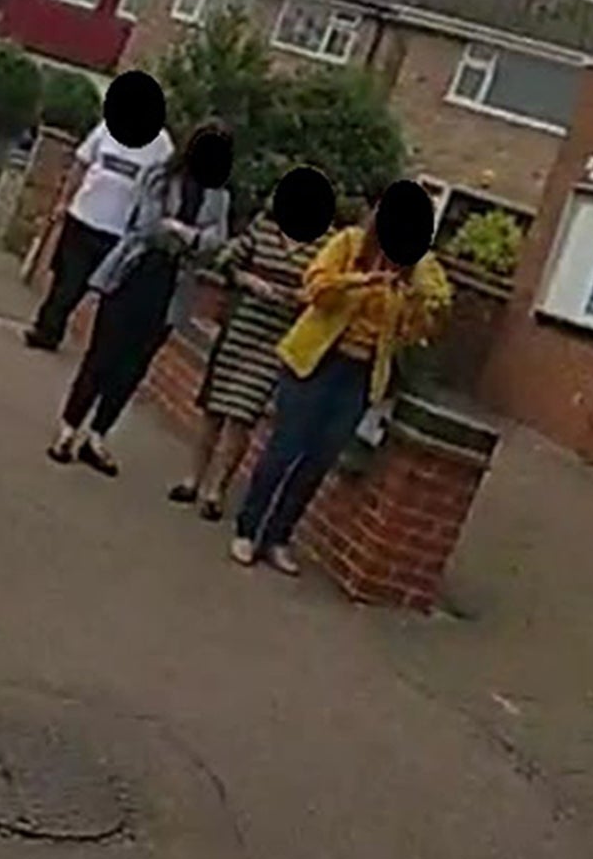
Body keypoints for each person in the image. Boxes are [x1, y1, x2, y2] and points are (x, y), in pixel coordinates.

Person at [228, 201, 450, 574]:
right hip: (315, 362)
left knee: (319, 460)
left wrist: (418, 303)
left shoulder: (412, 271)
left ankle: (279, 538)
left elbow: (414, 333)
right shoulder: (349, 244)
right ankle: (247, 529)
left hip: (360, 375)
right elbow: (316, 287)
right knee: (284, 449)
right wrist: (362, 280)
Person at [46, 122, 232, 476]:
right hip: (135, 274)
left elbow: (217, 243)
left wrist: (182, 233)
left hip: (171, 290)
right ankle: (69, 427)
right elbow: (147, 226)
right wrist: (190, 238)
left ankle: (97, 436)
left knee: (133, 368)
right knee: (101, 356)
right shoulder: (159, 178)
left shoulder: (219, 197)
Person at [169, 202, 326, 520]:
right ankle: (193, 479)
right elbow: (225, 260)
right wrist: (246, 279)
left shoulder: (323, 246)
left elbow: (324, 289)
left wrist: (301, 298)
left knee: (242, 415)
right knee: (214, 409)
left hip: (276, 341)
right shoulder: (263, 229)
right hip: (240, 329)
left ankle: (217, 491)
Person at [26, 112, 173, 351]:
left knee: (91, 288)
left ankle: (65, 332)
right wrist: (65, 200)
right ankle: (46, 330)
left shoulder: (162, 145)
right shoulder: (107, 128)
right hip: (83, 216)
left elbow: (162, 187)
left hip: (118, 231)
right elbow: (81, 164)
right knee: (67, 281)